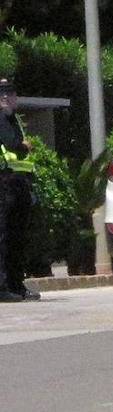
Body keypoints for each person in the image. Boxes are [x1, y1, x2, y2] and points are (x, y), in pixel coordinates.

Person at [0, 79, 37, 301]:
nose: (5, 97)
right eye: (1, 93)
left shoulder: (11, 118)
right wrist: (23, 146)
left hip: (17, 182)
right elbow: (13, 144)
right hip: (3, 182)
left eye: (9, 93)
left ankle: (15, 285)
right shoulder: (2, 118)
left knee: (16, 238)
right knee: (3, 238)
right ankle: (3, 287)